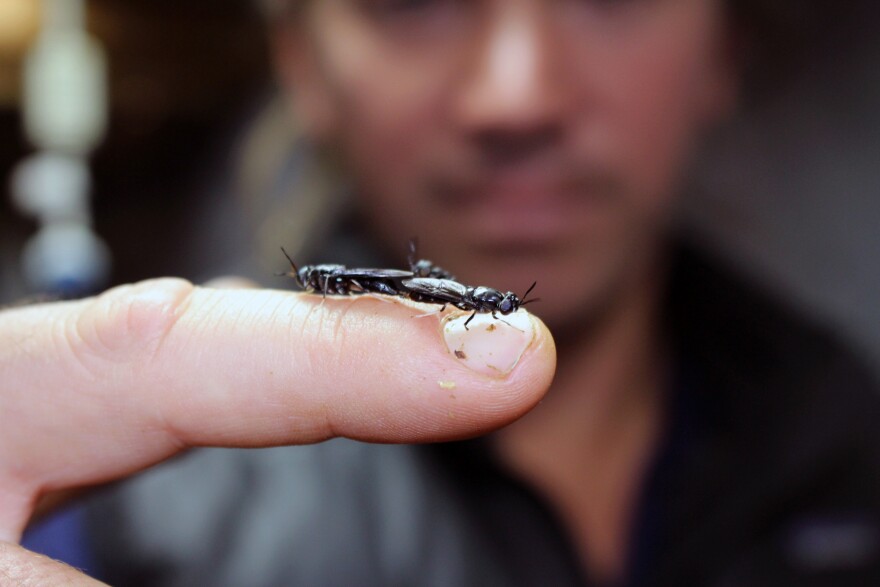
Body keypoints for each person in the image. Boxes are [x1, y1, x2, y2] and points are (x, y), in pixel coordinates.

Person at [2, 0, 879, 585]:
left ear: (724, 46)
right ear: (302, 62)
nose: (516, 97)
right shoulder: (118, 512)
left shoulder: (853, 447)